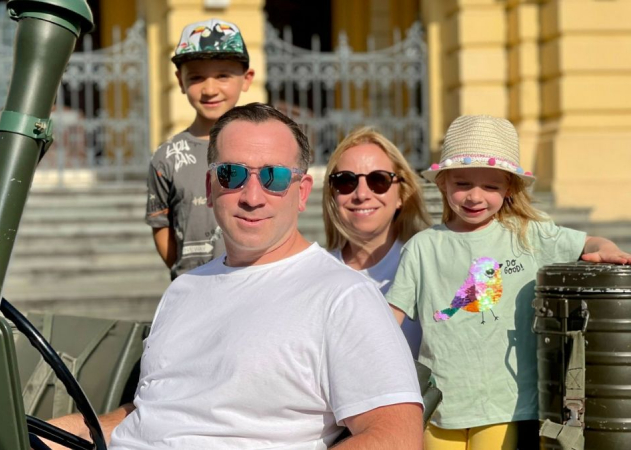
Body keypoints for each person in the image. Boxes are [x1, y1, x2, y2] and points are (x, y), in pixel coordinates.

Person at [50, 103, 424, 449]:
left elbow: (397, 435)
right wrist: (66, 430)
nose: (252, 196)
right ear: (211, 188)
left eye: (275, 177)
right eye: (232, 174)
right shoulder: (185, 288)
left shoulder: (342, 295)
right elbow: (159, 410)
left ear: (301, 192)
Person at [386, 115, 631, 450]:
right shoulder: (422, 247)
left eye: (490, 186)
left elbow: (587, 242)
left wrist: (606, 250)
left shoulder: (528, 234)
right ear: (442, 183)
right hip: (440, 402)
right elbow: (389, 316)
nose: (475, 196)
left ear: (510, 189)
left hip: (505, 402)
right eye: (462, 183)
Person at [145, 18, 255, 280]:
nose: (209, 89)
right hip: (194, 291)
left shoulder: (263, 147)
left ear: (246, 79)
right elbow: (161, 225)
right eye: (196, 77)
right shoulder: (167, 156)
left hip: (257, 285)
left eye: (223, 76)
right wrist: (188, 275)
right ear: (180, 81)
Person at [322, 127, 431, 358]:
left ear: (401, 194)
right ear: (332, 195)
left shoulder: (428, 266)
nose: (362, 194)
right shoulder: (316, 273)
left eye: (378, 180)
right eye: (345, 181)